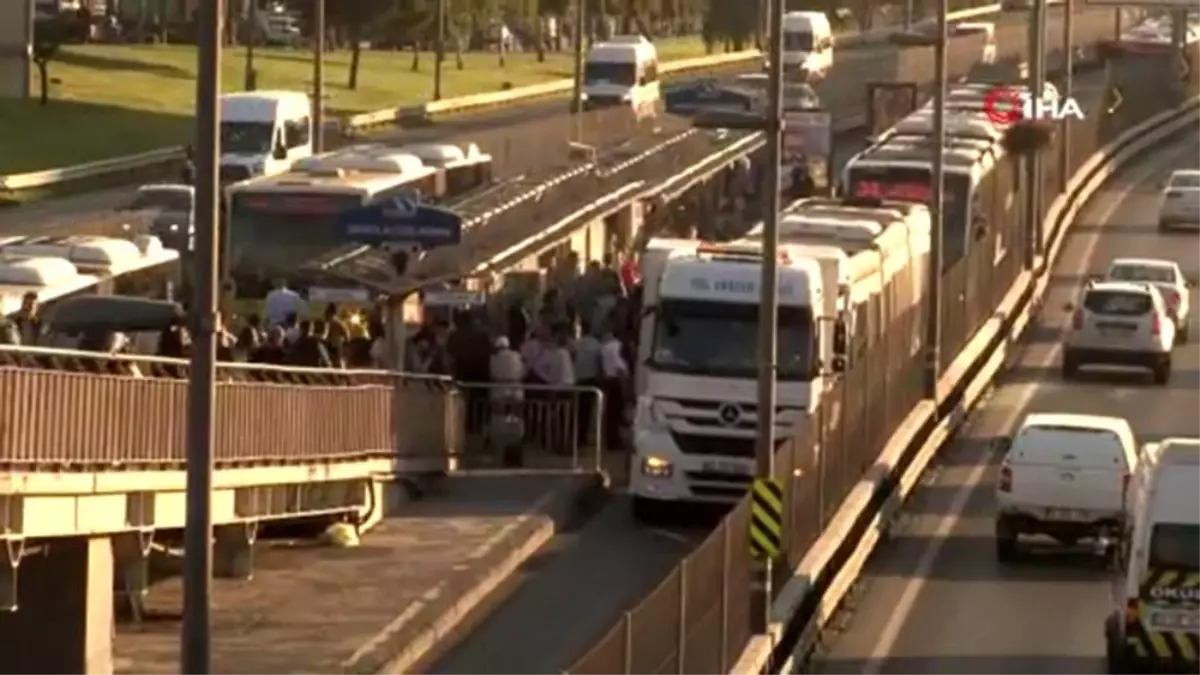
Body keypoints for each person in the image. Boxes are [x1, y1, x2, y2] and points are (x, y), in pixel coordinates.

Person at [599, 326, 629, 450]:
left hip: (608, 380)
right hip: (617, 381)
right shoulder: (618, 346)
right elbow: (620, 368)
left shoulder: (605, 347)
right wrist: (626, 388)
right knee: (616, 413)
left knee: (610, 413)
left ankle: (609, 439)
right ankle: (614, 441)